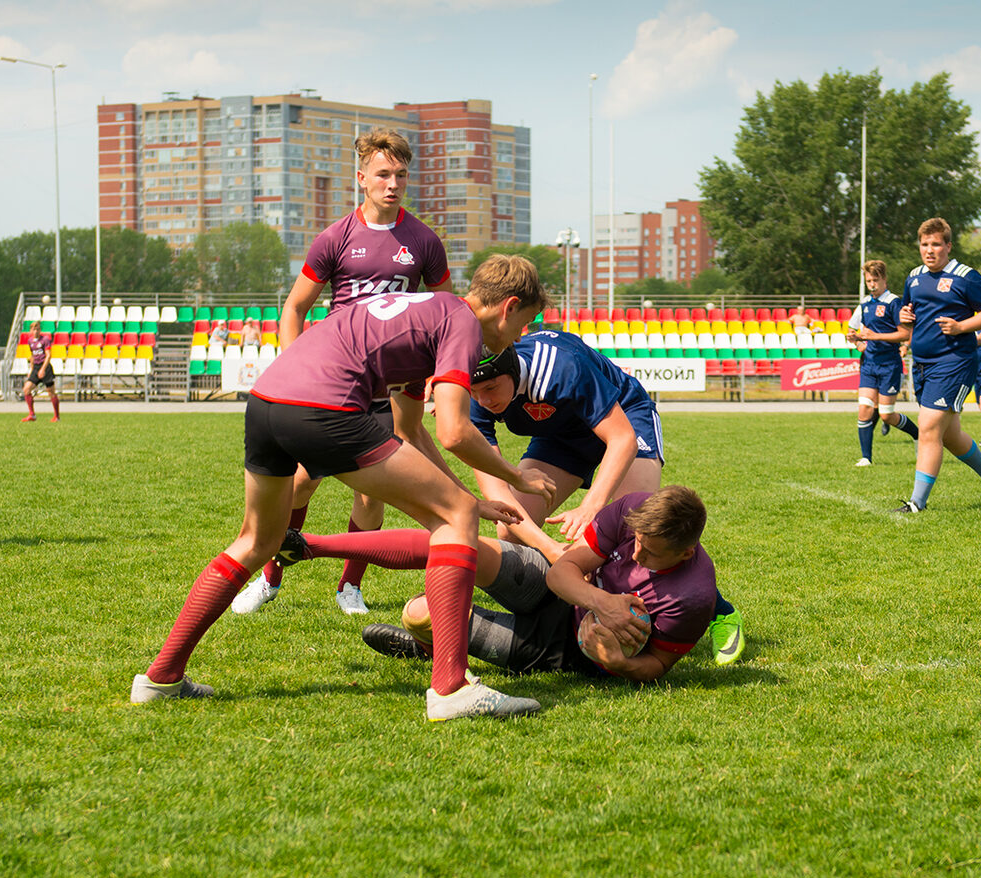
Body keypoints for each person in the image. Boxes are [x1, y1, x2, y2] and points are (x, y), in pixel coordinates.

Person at [131, 255, 554, 721]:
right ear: (509, 306)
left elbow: (414, 432)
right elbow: (453, 430)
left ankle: (161, 677)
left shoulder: (427, 308)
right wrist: (517, 477)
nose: (519, 338)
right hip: (325, 407)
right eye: (524, 324)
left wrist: (469, 500)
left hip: (268, 403)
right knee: (455, 518)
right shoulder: (465, 325)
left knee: (257, 541)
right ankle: (451, 688)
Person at [234, 128, 453, 617]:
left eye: (400, 174)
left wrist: (440, 378)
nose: (392, 183)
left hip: (388, 382)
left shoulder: (424, 241)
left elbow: (447, 311)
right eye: (382, 174)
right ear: (361, 179)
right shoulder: (336, 238)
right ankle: (271, 576)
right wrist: (295, 364)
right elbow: (295, 308)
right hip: (335, 380)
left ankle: (348, 586)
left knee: (368, 491)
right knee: (300, 484)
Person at [462, 333, 747, 665]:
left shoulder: (562, 367)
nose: (482, 401)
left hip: (625, 419)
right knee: (510, 530)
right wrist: (552, 550)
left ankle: (721, 612)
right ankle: (562, 608)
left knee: (632, 529)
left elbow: (621, 439)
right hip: (563, 436)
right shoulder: (474, 392)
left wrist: (592, 507)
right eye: (473, 392)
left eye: (491, 389)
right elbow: (497, 497)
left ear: (511, 371)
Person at [286, 488, 715, 683]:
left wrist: (618, 664)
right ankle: (310, 545)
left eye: (652, 553)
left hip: (563, 648)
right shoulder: (633, 510)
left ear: (685, 553)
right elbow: (560, 572)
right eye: (637, 542)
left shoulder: (692, 598)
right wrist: (603, 602)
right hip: (565, 591)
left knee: (418, 613)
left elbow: (659, 667)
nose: (637, 553)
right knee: (464, 543)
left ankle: (432, 644)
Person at [891, 218, 981, 513]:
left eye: (936, 244)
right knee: (950, 435)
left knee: (928, 428)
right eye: (924, 244)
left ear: (948, 246)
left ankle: (917, 502)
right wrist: (905, 320)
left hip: (954, 362)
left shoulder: (966, 277)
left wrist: (961, 326)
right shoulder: (914, 277)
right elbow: (909, 316)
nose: (930, 250)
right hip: (923, 364)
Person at [849, 259, 919, 467]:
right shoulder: (864, 304)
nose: (872, 284)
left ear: (884, 280)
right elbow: (852, 330)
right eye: (869, 280)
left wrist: (875, 337)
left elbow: (905, 334)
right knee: (864, 409)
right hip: (869, 364)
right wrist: (856, 342)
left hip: (889, 365)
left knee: (887, 415)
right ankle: (866, 458)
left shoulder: (893, 302)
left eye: (876, 280)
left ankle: (917, 435)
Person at [20, 320, 60, 422]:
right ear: (31, 331)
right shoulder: (30, 341)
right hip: (36, 367)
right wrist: (32, 369)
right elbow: (33, 356)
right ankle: (32, 415)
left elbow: (48, 355)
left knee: (51, 392)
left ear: (40, 330)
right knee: (26, 389)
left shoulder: (45, 340)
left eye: (37, 329)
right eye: (34, 329)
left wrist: (43, 369)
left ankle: (57, 416)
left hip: (45, 367)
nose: (36, 331)